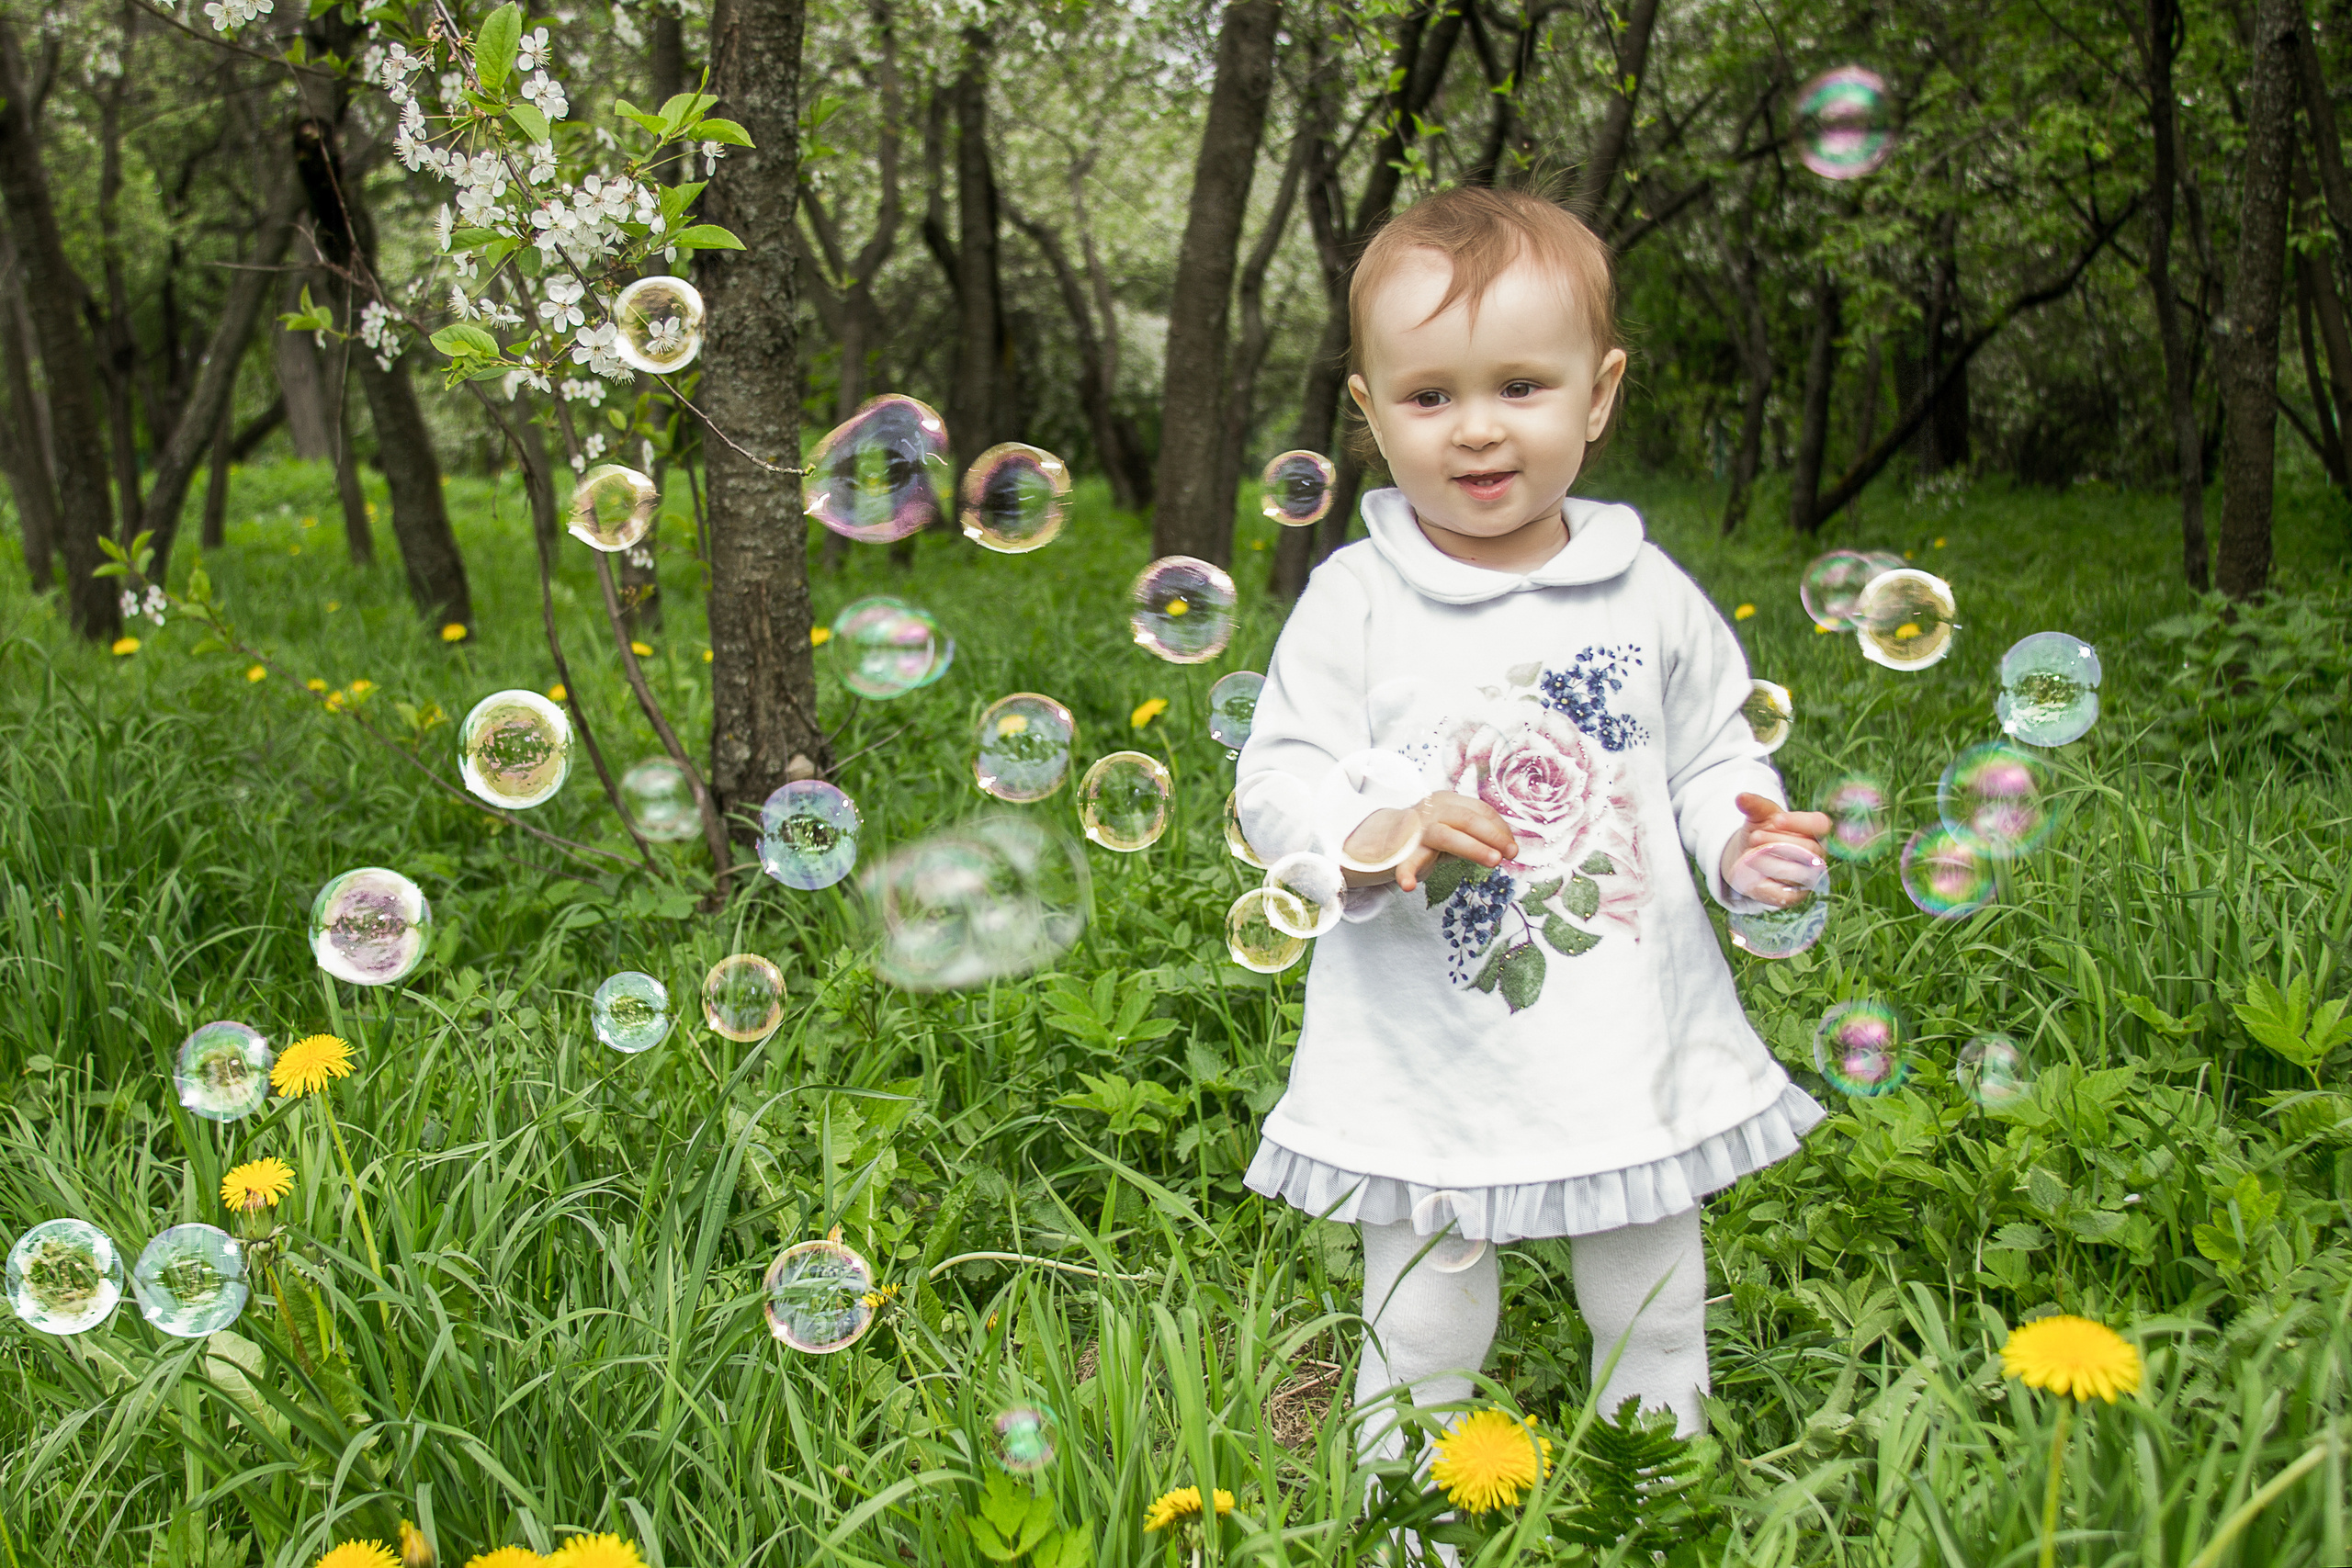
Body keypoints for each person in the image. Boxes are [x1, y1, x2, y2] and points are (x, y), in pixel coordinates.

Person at [1231, 186, 1835, 1485]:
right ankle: (1413, 1518)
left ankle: (1656, 1497)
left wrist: (1741, 847)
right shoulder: (1356, 599)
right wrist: (1372, 827)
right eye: (1431, 396)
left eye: (1520, 384)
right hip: (1424, 1050)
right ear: (1370, 409)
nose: (1478, 429)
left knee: (1654, 1303)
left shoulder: (1645, 590)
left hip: (1626, 1036)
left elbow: (1717, 749)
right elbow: (1277, 774)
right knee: (1423, 1324)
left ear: (1599, 393)